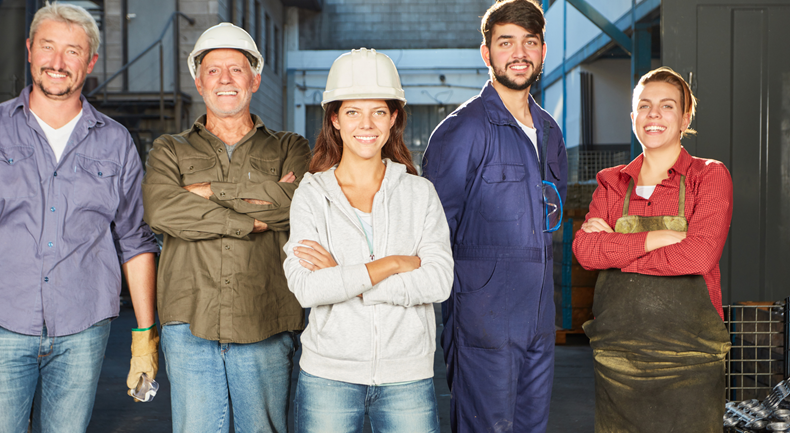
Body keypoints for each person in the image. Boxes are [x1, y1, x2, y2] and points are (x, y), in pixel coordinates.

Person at [0, 3, 159, 432]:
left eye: (73, 51)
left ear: (89, 62)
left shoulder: (116, 142)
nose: (57, 62)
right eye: (48, 47)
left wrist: (145, 335)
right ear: (30, 50)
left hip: (83, 329)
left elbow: (134, 240)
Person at [141, 22, 310, 433]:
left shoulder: (292, 147)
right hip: (190, 319)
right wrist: (248, 218)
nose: (225, 80)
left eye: (236, 69)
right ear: (199, 83)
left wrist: (208, 190)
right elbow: (162, 209)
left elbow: (299, 207)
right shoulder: (169, 149)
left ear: (254, 78)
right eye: (213, 70)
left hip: (265, 317)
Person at [283, 48, 454, 433]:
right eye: (353, 112)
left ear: (394, 118)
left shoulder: (419, 192)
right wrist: (391, 264)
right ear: (335, 119)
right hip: (329, 374)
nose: (367, 124)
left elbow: (439, 281)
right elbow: (308, 288)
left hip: (406, 375)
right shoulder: (312, 195)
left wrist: (348, 281)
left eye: (378, 111)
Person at [422, 1, 568, 431]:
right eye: (506, 42)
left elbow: (549, 216)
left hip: (540, 318)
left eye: (530, 42)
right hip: (483, 319)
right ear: (487, 53)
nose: (519, 52)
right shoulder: (463, 129)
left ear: (543, 50)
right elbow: (432, 232)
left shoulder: (549, 130)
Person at [572, 67, 732, 432]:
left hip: (690, 359)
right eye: (644, 106)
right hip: (618, 360)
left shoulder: (708, 176)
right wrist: (654, 238)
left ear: (685, 118)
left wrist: (615, 249)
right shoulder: (612, 183)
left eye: (666, 106)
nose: (654, 114)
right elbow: (585, 252)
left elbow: (698, 256)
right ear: (633, 118)